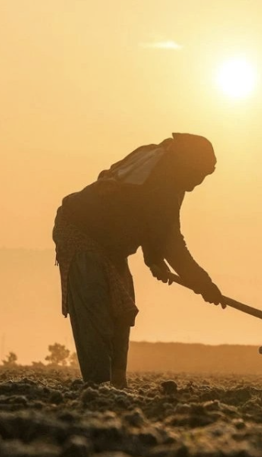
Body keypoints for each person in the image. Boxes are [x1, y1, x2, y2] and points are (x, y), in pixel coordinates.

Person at [52, 133, 224, 388]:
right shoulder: (162, 181)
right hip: (80, 232)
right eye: (198, 174)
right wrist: (204, 285)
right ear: (186, 164)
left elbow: (151, 222)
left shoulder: (165, 171)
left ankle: (116, 384)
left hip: (111, 244)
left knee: (121, 311)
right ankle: (99, 386)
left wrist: (153, 258)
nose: (198, 183)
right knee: (95, 309)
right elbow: (172, 243)